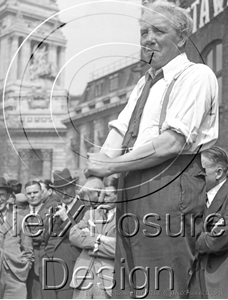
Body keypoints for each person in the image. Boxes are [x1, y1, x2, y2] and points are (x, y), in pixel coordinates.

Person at [80, 1, 219, 298]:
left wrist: (109, 168)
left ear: (181, 38)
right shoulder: (144, 84)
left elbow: (172, 142)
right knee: (128, 288)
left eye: (158, 30)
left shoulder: (196, 76)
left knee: (161, 288)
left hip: (168, 190)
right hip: (132, 191)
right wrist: (95, 176)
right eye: (144, 31)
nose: (148, 38)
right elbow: (120, 131)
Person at [41, 168, 87, 299]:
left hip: (71, 270)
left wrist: (66, 218)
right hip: (49, 271)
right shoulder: (53, 209)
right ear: (55, 191)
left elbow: (83, 238)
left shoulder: (85, 208)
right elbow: (47, 239)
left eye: (67, 188)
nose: (64, 193)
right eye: (60, 189)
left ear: (74, 187)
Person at [189, 147, 228, 299]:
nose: (195, 175)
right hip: (195, 283)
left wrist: (187, 239)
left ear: (219, 173)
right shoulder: (194, 196)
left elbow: (216, 241)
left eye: (201, 170)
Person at [70, 176, 118, 299]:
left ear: (119, 195)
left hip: (106, 280)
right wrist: (101, 238)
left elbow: (118, 249)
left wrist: (89, 243)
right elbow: (74, 234)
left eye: (108, 195)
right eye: (101, 195)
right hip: (83, 277)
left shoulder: (125, 218)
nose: (103, 199)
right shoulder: (91, 213)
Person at [0, 177, 33, 299]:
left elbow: (28, 249)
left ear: (8, 196)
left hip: (16, 277)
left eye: (1, 195)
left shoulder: (20, 219)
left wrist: (25, 266)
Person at [24, 180, 58, 299]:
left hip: (44, 259)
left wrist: (27, 235)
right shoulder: (20, 212)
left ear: (41, 192)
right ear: (25, 195)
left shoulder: (51, 210)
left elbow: (49, 235)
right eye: (29, 193)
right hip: (24, 263)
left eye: (35, 192)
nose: (32, 196)